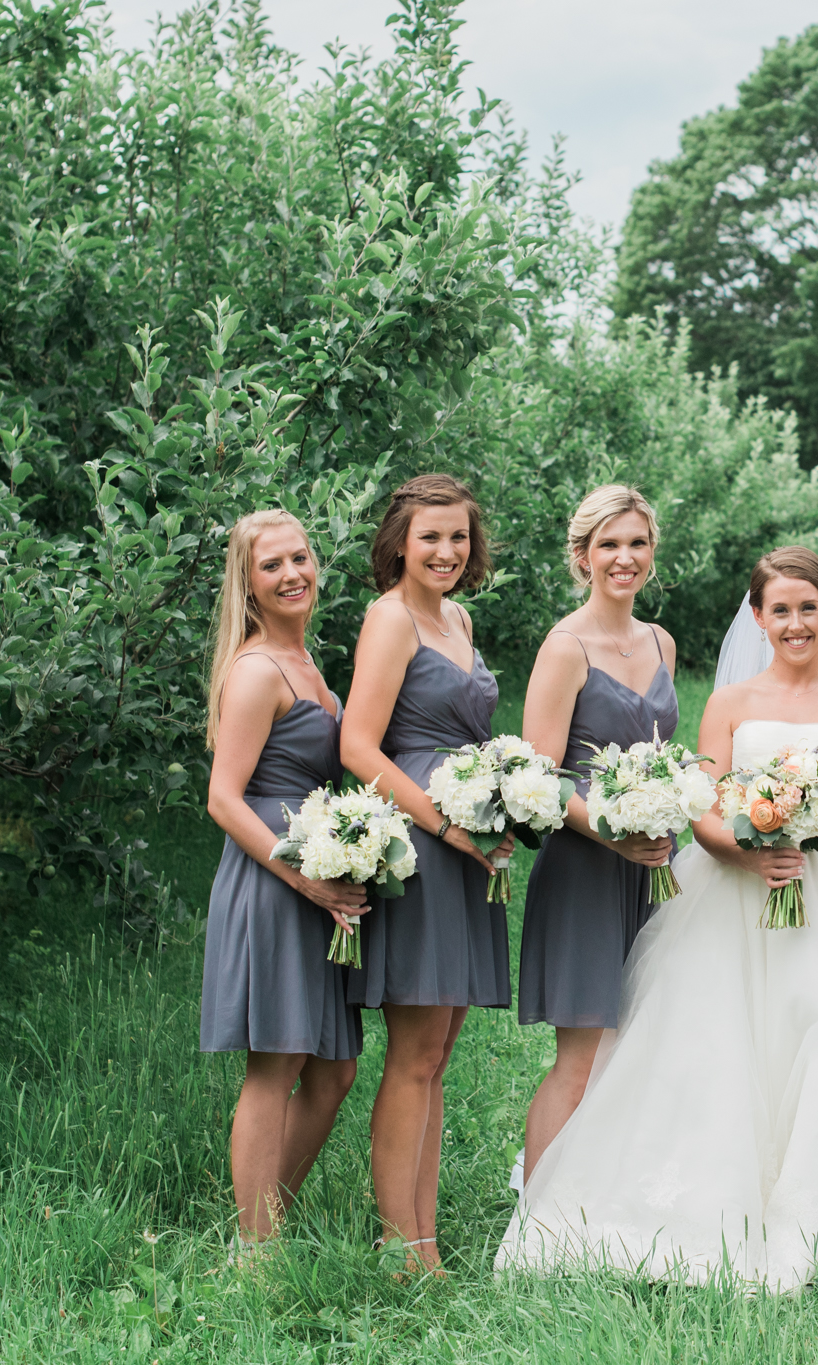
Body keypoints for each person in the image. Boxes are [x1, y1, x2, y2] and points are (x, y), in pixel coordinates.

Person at [498, 546, 818, 1293]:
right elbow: (707, 807)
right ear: (757, 617)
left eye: (808, 607)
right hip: (738, 896)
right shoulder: (730, 703)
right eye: (779, 609)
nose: (794, 622)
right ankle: (723, 1202)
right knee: (727, 1046)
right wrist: (748, 854)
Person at [340, 474, 511, 1275]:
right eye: (431, 536)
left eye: (459, 536)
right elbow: (358, 746)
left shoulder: (459, 618)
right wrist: (443, 824)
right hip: (419, 843)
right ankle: (395, 1242)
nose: (447, 550)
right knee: (412, 1051)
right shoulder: (390, 618)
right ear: (399, 543)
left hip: (467, 843)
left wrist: (501, 804)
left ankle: (424, 1235)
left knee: (439, 1052)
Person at [197, 509, 367, 1258]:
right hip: (274, 881)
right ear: (250, 584)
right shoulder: (257, 669)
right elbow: (223, 797)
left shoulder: (308, 663)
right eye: (272, 566)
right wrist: (306, 880)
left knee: (334, 1068)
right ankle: (255, 1250)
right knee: (278, 1063)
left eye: (300, 557)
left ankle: (269, 1216)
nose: (292, 573)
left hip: (315, 878)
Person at [514, 485, 680, 1177]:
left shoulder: (662, 641)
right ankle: (536, 1216)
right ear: (582, 556)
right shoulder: (565, 646)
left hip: (653, 869)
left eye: (636, 543)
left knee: (638, 1048)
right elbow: (537, 777)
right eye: (608, 544)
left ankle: (603, 1202)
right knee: (579, 1058)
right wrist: (614, 832)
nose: (624, 557)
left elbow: (667, 752)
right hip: (585, 866)